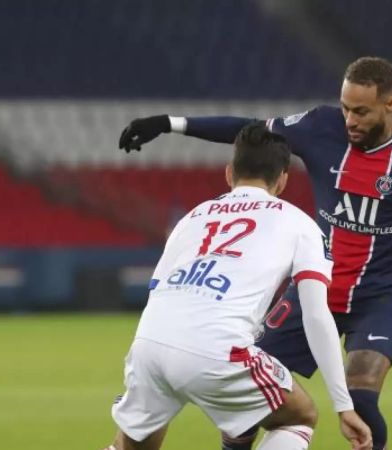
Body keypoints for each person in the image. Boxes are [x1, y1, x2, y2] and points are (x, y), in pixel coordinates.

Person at [118, 56, 392, 450]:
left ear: (390, 103)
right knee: (247, 412)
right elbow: (251, 130)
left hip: (379, 298)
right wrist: (170, 123)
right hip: (312, 291)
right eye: (345, 108)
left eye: (361, 111)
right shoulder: (320, 127)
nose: (350, 120)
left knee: (361, 400)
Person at [105, 124, 372, 450]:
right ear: (283, 179)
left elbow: (158, 289)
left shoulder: (192, 218)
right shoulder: (300, 224)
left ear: (229, 173)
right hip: (217, 349)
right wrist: (343, 405)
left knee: (130, 447)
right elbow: (315, 315)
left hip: (149, 344)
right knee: (298, 415)